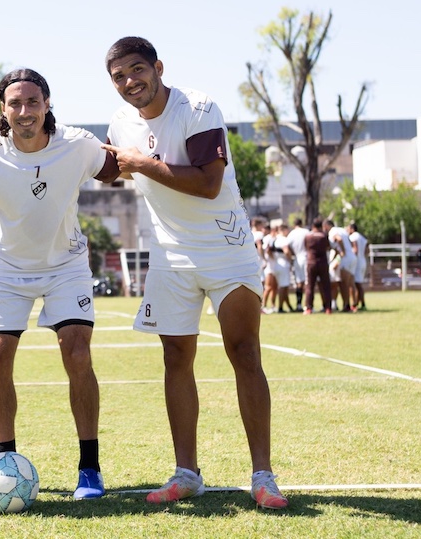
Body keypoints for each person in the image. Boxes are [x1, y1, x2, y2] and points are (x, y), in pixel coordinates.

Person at [101, 36, 288, 509]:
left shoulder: (199, 107)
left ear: (158, 67)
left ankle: (263, 476)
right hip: (170, 255)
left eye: (137, 70)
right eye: (119, 76)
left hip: (227, 247)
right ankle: (187, 474)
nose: (130, 82)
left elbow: (208, 184)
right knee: (175, 359)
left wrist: (143, 163)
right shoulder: (120, 123)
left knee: (244, 353)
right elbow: (109, 170)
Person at [0, 68, 120, 499]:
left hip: (66, 266)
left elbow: (119, 167)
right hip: (8, 270)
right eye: (15, 104)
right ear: (3, 109)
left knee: (76, 351)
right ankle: (6, 458)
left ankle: (89, 468)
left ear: (47, 104)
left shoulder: (76, 145)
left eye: (32, 102)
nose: (24, 111)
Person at [323, 219, 356, 313]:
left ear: (326, 226)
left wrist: (342, 252)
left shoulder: (333, 231)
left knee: (343, 284)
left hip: (345, 258)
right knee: (350, 283)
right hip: (352, 257)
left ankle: (347, 305)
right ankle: (351, 304)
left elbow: (339, 239)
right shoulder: (342, 230)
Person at [303, 217, 332, 314]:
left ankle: (309, 308)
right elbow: (328, 247)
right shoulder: (323, 236)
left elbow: (306, 247)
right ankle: (328, 307)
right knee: (326, 286)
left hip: (311, 262)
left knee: (310, 286)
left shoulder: (308, 236)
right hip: (323, 262)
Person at [286, 218, 310, 312]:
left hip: (297, 258)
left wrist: (292, 256)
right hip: (306, 257)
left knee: (299, 282)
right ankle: (307, 305)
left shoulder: (291, 234)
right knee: (307, 281)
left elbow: (287, 248)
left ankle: (299, 304)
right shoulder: (306, 232)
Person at [346, 222, 368, 311]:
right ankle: (359, 303)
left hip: (357, 262)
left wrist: (352, 257)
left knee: (356, 284)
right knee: (358, 283)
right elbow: (367, 249)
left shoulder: (353, 236)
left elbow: (355, 249)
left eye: (348, 228)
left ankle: (358, 304)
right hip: (363, 261)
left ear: (352, 229)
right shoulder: (361, 237)